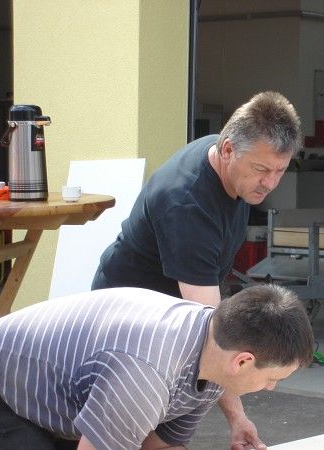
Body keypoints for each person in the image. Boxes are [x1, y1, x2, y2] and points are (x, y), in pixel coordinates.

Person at [91, 91, 302, 448]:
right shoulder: (188, 206)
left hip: (170, 315)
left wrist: (237, 420)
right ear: (228, 150)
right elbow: (216, 334)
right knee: (128, 434)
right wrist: (237, 415)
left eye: (280, 170)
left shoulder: (231, 163)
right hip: (126, 324)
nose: (270, 183)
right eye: (261, 170)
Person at [0, 284, 314, 450]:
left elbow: (159, 446)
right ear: (243, 361)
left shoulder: (214, 352)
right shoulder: (146, 375)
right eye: (273, 378)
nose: (271, 387)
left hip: (48, 396)